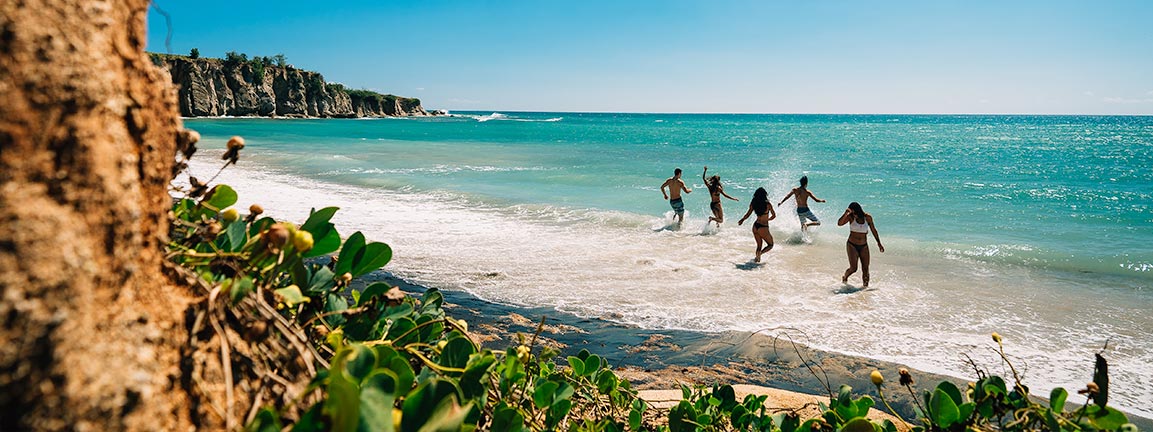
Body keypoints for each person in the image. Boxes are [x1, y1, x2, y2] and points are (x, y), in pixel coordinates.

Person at [837, 202, 885, 287]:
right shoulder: (850, 217)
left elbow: (874, 230)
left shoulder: (867, 217)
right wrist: (845, 214)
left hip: (864, 246)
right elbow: (839, 223)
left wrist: (879, 243)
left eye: (852, 211)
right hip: (852, 245)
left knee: (865, 268)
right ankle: (845, 276)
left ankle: (865, 289)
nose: (852, 213)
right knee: (853, 268)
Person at [737, 187, 777, 262]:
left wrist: (742, 220)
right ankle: (760, 254)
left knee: (759, 246)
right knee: (770, 245)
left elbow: (748, 214)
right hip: (763, 227)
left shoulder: (754, 203)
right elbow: (774, 215)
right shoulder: (768, 204)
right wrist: (768, 219)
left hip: (755, 226)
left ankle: (757, 260)